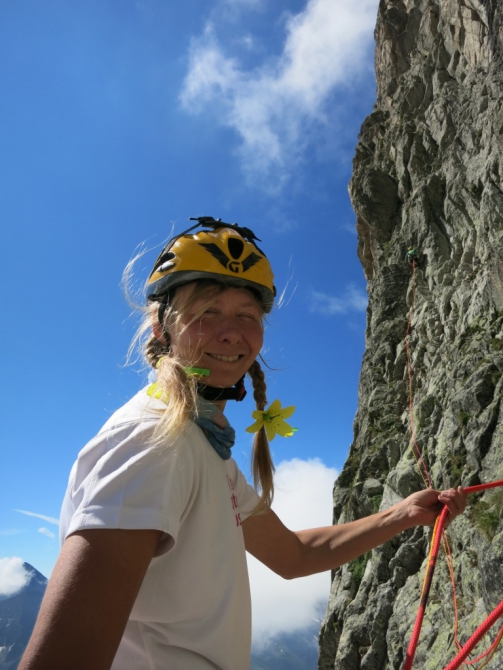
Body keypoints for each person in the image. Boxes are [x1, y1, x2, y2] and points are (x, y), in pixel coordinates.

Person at [19, 218, 466, 670]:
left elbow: (294, 555)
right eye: (206, 311)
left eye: (246, 316)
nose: (230, 332)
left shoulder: (204, 447)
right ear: (162, 327)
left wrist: (402, 513)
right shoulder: (152, 444)